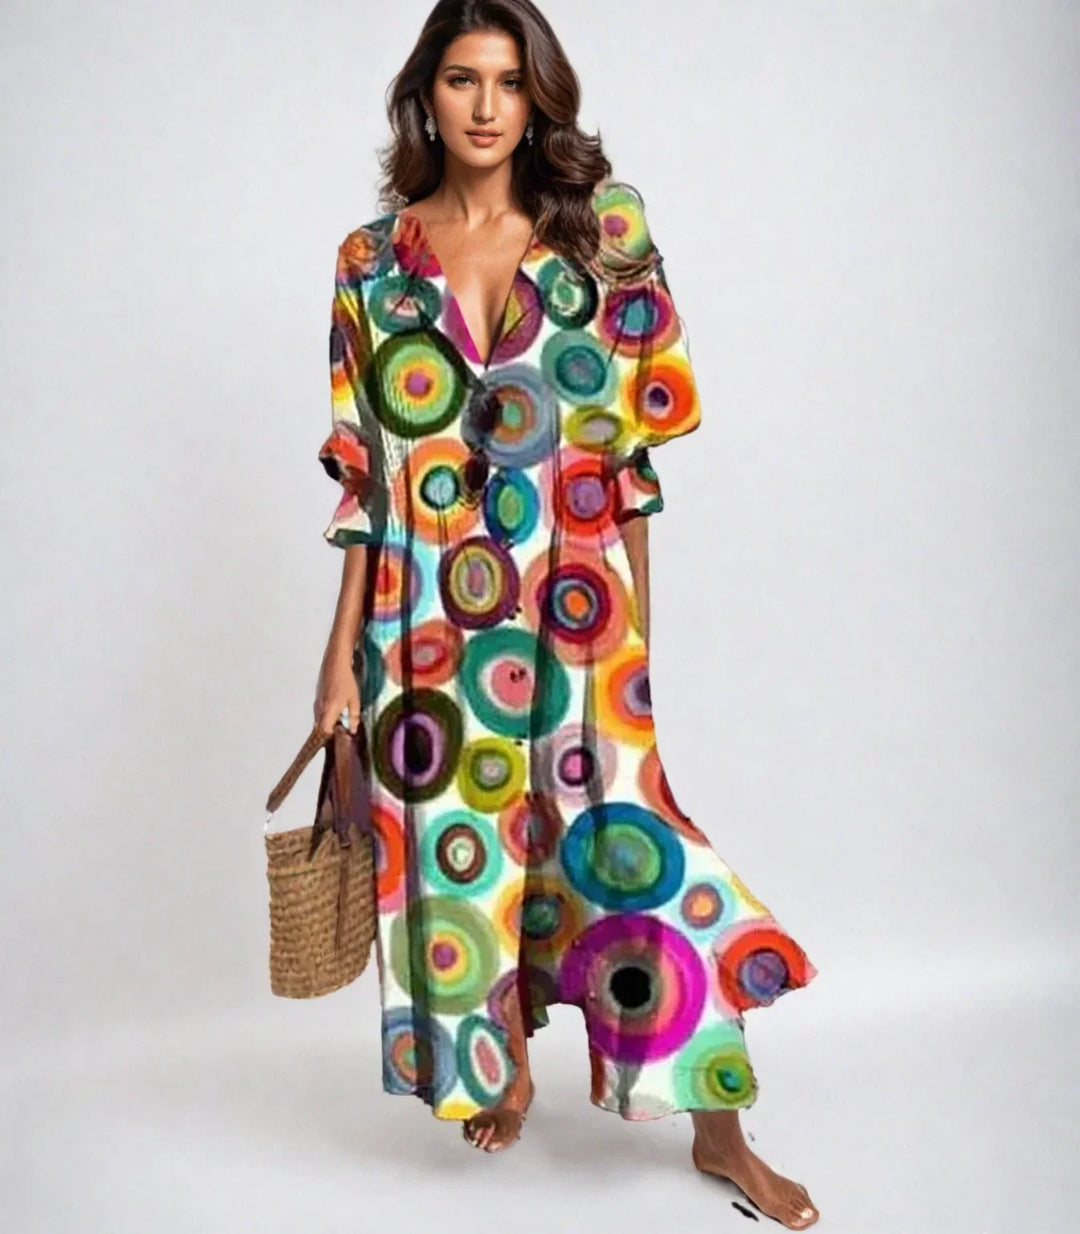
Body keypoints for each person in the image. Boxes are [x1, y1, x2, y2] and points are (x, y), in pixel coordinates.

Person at [311, 1, 819, 1227]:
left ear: (540, 96)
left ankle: (721, 1132)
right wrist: (335, 663)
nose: (486, 106)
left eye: (508, 81)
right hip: (424, 619)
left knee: (635, 855)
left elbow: (632, 460)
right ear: (424, 96)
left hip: (578, 607)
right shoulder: (372, 263)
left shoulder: (608, 235)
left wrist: (637, 634)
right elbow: (366, 482)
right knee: (464, 850)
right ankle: (502, 1063)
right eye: (461, 79)